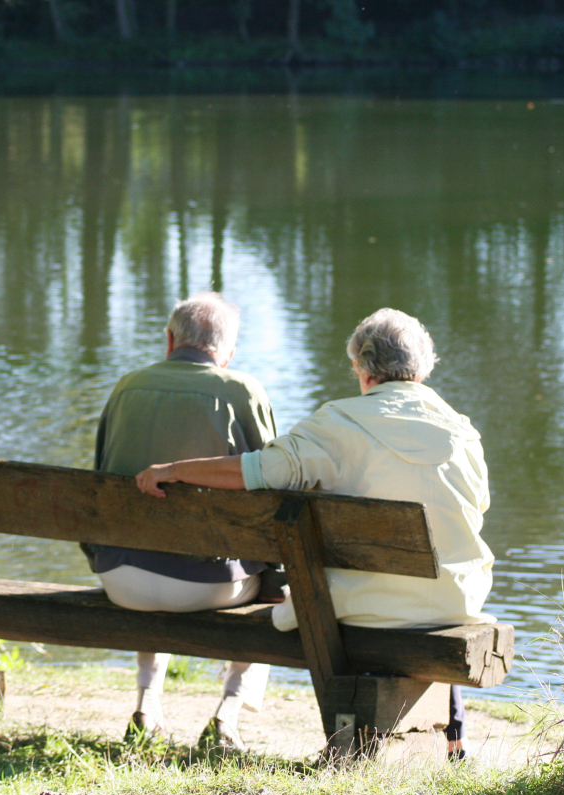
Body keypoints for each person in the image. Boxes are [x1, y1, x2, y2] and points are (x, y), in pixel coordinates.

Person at [134, 307, 495, 760]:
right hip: (452, 602)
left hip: (367, 607)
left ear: (361, 367)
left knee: (301, 601)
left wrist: (173, 470)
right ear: (421, 367)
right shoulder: (463, 432)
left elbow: (257, 471)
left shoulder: (339, 423)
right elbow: (476, 512)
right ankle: (451, 738)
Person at [84, 292, 280, 751]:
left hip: (121, 578)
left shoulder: (126, 386)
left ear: (169, 339)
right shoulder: (241, 390)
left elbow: (96, 484)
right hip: (208, 586)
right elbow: (273, 494)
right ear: (227, 351)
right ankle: (227, 715)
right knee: (272, 588)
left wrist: (103, 557)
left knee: (152, 535)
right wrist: (279, 577)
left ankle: (147, 704)